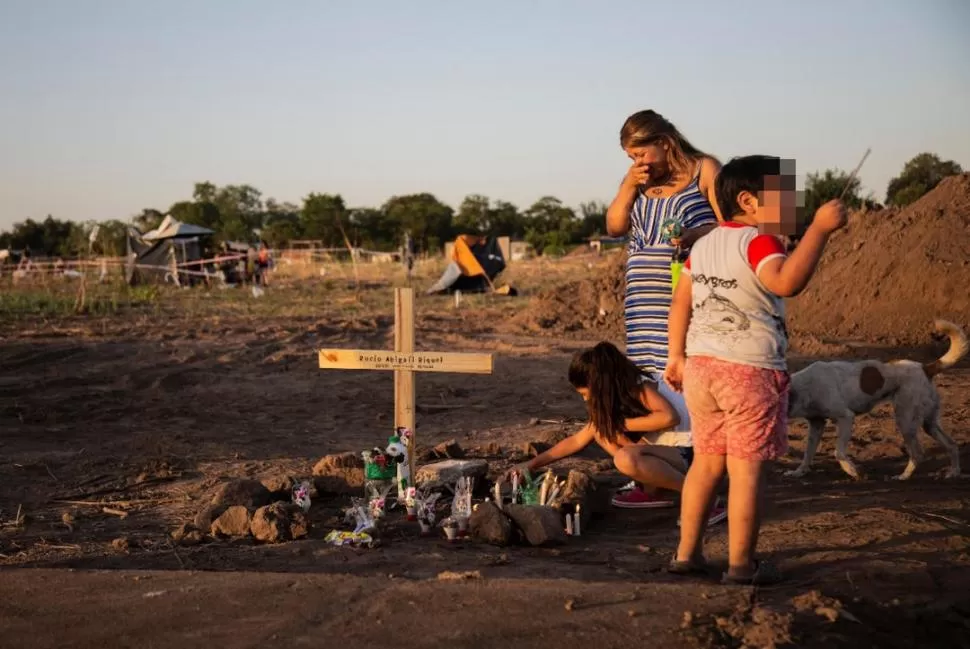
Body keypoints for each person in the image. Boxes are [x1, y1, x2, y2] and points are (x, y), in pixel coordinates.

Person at [663, 155, 847, 585]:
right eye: (786, 198)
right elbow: (786, 283)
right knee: (746, 473)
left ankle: (686, 554)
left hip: (701, 371)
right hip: (749, 373)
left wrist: (676, 357)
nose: (796, 206)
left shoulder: (703, 245)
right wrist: (819, 230)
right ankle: (742, 566)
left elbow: (680, 303)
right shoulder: (761, 241)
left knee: (706, 466)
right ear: (748, 201)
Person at [605, 109, 722, 506]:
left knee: (684, 373)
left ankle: (693, 470)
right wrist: (627, 187)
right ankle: (656, 475)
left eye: (641, 155)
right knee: (648, 376)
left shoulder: (704, 170)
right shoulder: (636, 182)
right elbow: (615, 227)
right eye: (630, 158)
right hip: (641, 301)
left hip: (687, 293)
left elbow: (733, 224)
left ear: (665, 142)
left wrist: (695, 234)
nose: (637, 164)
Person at [511, 342, 725, 525]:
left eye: (587, 394)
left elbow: (670, 418)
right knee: (602, 431)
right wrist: (531, 465)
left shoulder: (640, 386)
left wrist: (620, 424)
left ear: (601, 385)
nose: (586, 400)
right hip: (673, 452)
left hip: (695, 450)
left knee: (625, 457)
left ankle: (703, 498)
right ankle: (654, 489)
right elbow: (576, 441)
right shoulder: (618, 396)